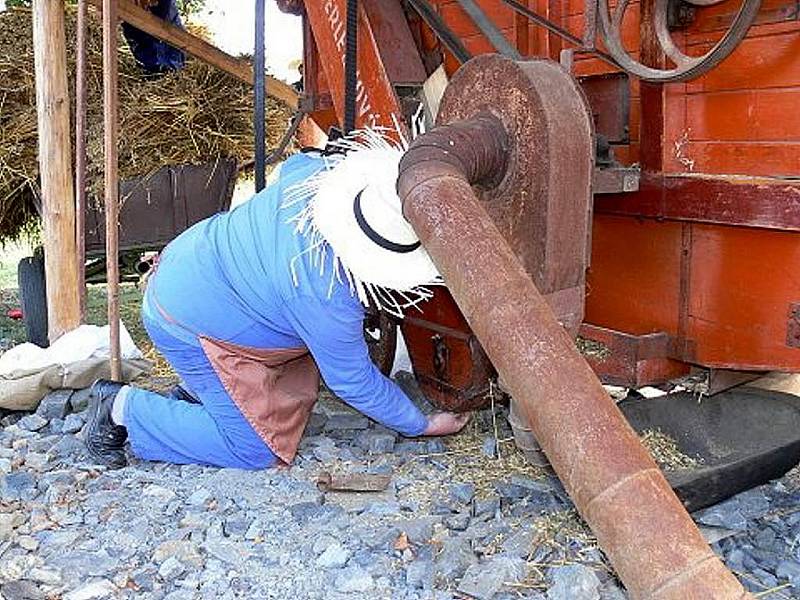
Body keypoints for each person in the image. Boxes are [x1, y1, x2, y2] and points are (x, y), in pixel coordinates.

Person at [85, 131, 470, 470]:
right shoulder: (326, 293)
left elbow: (300, 161)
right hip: (184, 322)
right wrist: (421, 424)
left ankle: (201, 397)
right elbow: (353, 381)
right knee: (253, 449)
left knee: (277, 375)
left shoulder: (317, 180)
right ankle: (120, 408)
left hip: (193, 264)